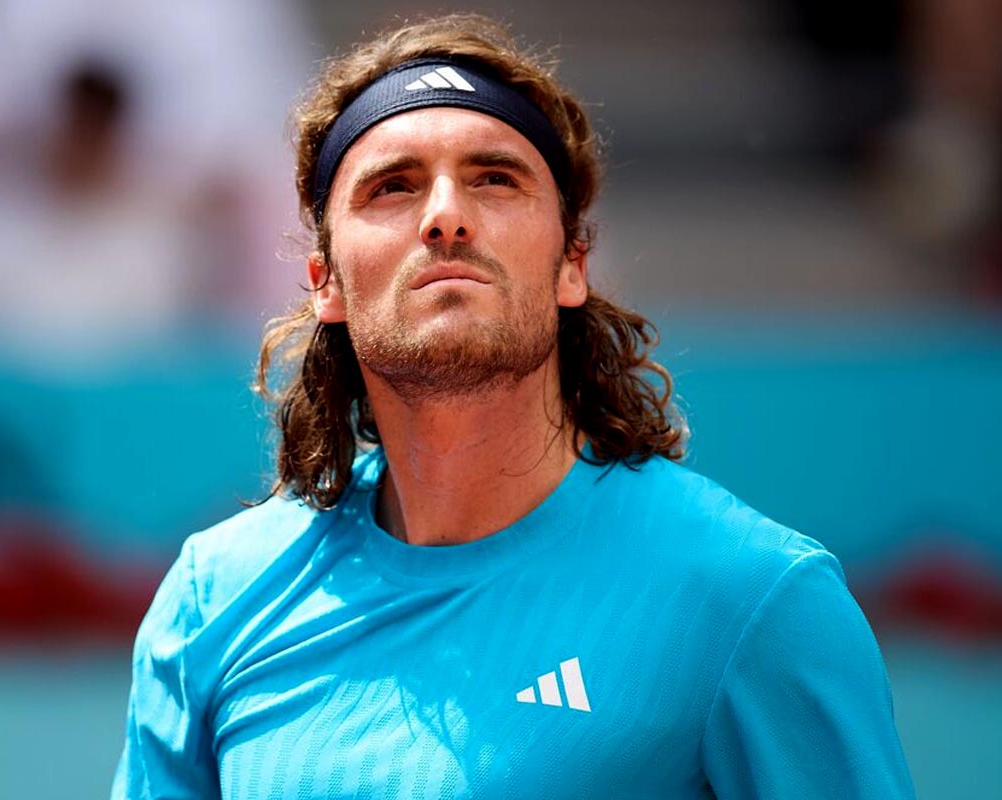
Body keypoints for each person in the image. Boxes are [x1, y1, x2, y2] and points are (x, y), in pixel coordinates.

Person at [113, 14, 914, 799]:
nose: (445, 215)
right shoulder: (210, 601)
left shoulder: (753, 598)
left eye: (495, 178)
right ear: (326, 284)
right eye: (392, 187)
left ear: (573, 265)